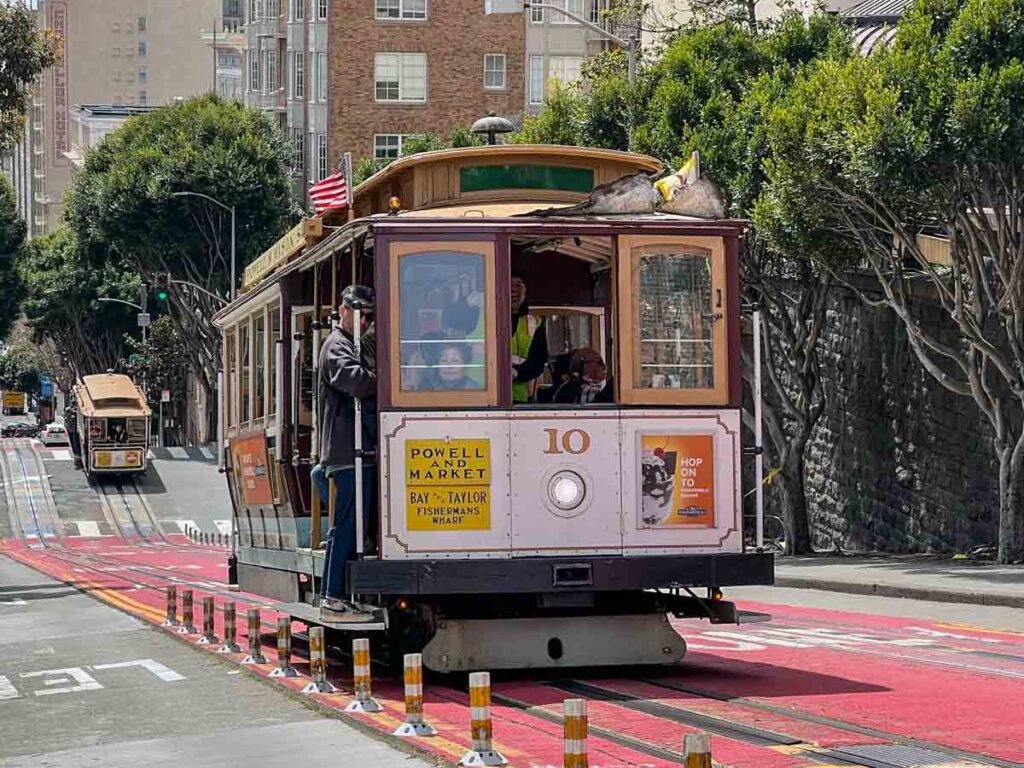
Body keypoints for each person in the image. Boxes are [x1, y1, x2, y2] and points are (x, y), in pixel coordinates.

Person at [312, 285, 377, 617]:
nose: (365, 321)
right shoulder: (336, 346)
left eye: (369, 316)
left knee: (356, 526)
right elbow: (355, 381)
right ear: (343, 309)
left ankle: (346, 594)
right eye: (360, 314)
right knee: (345, 524)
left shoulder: (351, 344)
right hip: (345, 452)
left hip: (359, 450)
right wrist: (386, 380)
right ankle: (332, 595)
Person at [510, 270, 548, 404]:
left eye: (519, 284)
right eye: (509, 284)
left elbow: (539, 361)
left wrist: (517, 373)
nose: (513, 289)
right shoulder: (484, 316)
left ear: (525, 293)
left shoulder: (535, 322)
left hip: (520, 398)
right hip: (482, 396)